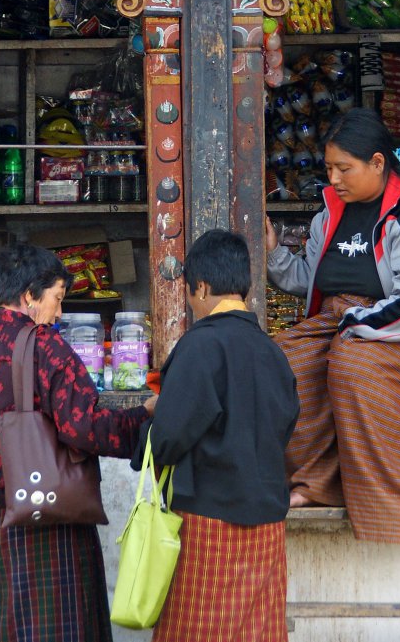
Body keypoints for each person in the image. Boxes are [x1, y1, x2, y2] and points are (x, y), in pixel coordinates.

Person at [266, 107, 400, 544]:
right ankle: (317, 481)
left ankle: (388, 501)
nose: (334, 179)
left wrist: (353, 323)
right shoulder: (328, 214)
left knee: (350, 364)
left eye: (344, 168)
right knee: (275, 364)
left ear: (378, 164)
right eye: (329, 168)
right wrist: (275, 254)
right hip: (344, 323)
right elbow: (313, 280)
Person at [0, 243, 156, 642]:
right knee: (54, 628)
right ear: (29, 295)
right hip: (44, 515)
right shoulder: (47, 347)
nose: (59, 313)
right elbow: (83, 426)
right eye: (57, 299)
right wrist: (144, 417)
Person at [136, 229, 299, 642]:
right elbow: (285, 424)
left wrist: (152, 420)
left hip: (209, 522)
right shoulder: (274, 352)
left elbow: (170, 437)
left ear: (203, 287)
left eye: (191, 294)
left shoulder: (200, 346)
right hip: (265, 525)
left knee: (197, 632)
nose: (191, 305)